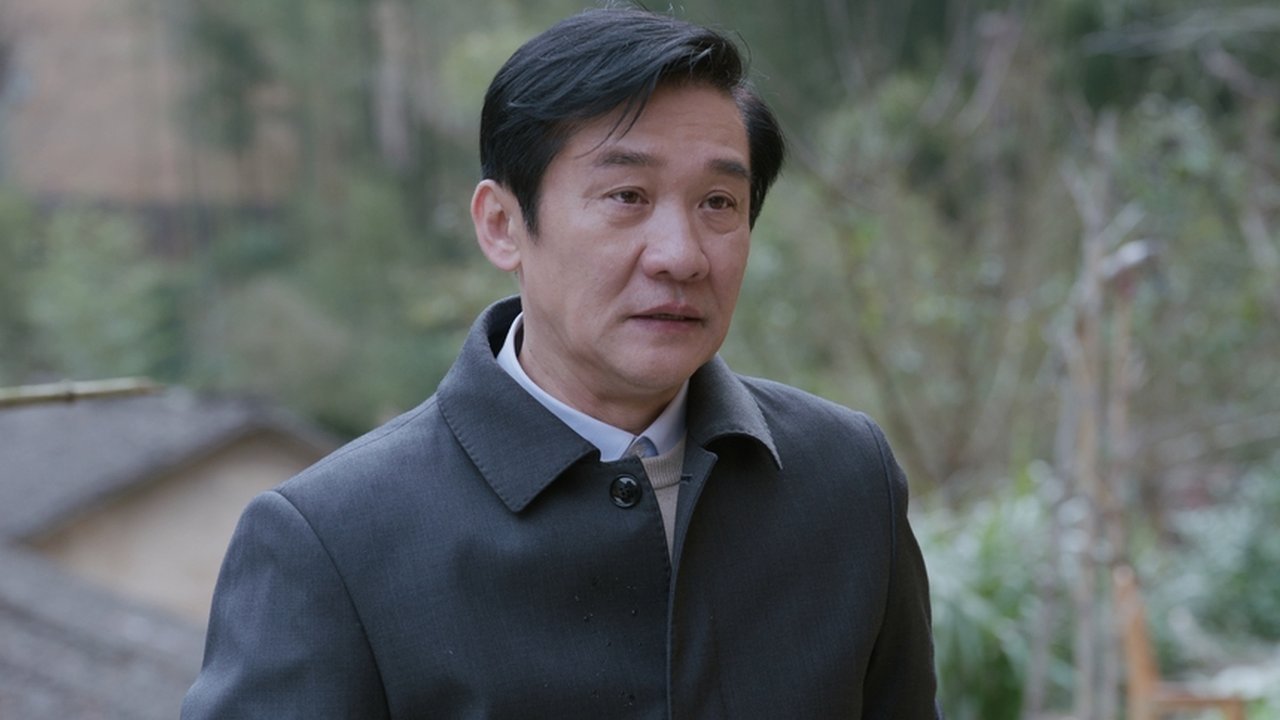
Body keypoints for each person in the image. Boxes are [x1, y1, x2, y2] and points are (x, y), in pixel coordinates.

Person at [182, 7, 940, 718]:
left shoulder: (844, 478)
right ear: (502, 225)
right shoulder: (332, 540)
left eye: (718, 203)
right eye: (626, 195)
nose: (681, 256)